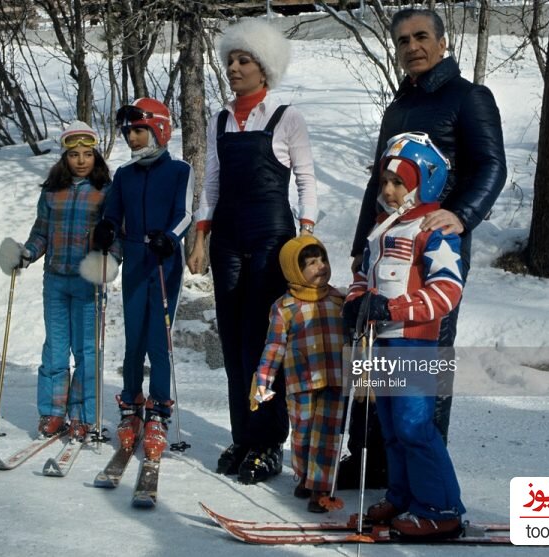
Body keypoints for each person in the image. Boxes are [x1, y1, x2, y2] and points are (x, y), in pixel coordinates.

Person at [340, 7, 508, 487]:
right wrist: (360, 247)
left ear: (441, 41)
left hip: (435, 249)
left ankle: (426, 475)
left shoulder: (468, 97)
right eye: (402, 41)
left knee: (423, 359)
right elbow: (380, 184)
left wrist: (462, 214)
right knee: (377, 352)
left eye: (420, 37)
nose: (411, 47)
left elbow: (491, 166)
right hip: (386, 247)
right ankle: (376, 460)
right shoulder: (398, 107)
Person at [186, 18, 318, 484]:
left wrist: (305, 236)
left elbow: (305, 180)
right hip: (227, 239)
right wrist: (201, 236)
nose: (234, 68)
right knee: (233, 342)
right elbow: (213, 183)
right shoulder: (219, 118)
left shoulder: (287, 117)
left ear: (265, 68)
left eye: (243, 61)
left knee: (264, 344)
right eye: (230, 61)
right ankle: (243, 436)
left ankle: (267, 442)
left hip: (271, 238)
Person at [344, 132, 465, 538]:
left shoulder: (434, 228)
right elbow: (364, 275)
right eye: (386, 182)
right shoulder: (380, 228)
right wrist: (356, 303)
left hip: (414, 339)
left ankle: (441, 508)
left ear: (422, 182)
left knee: (415, 428)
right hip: (381, 339)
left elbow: (447, 289)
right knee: (391, 427)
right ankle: (402, 496)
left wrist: (393, 308)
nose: (390, 191)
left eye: (400, 182)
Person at [0, 120, 115, 440]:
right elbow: (41, 233)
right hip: (56, 282)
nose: (80, 160)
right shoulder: (53, 192)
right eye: (74, 154)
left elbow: (116, 235)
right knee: (55, 350)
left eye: (87, 154)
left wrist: (108, 259)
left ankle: (83, 415)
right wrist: (26, 254)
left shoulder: (106, 191)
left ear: (96, 156)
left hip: (88, 283)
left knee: (87, 351)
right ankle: (52, 412)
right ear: (64, 157)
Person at [90, 98, 193, 460]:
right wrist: (106, 228)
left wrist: (171, 236)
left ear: (159, 129)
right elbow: (113, 213)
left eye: (138, 130)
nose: (131, 138)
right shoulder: (124, 174)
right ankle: (131, 404)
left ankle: (159, 411)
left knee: (157, 339)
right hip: (135, 259)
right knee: (134, 338)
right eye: (128, 132)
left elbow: (184, 214)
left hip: (164, 262)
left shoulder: (180, 170)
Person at [254, 236, 344, 513]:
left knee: (327, 435)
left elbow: (357, 340)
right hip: (301, 382)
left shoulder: (340, 300)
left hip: (336, 380)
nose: (321, 267)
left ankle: (320, 488)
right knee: (303, 433)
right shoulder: (284, 308)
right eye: (311, 263)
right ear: (293, 269)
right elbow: (274, 346)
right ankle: (306, 476)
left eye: (323, 260)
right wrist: (262, 381)